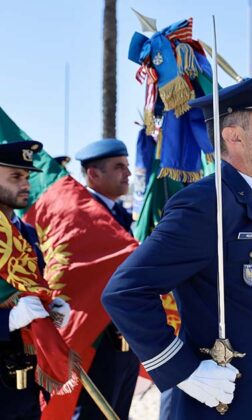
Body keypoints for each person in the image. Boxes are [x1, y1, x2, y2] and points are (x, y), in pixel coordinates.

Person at [102, 67, 252, 419]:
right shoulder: (206, 203)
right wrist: (186, 371)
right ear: (234, 136)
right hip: (225, 404)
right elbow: (125, 292)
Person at [0, 141, 71, 419]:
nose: (26, 183)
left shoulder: (26, 232)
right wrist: (8, 320)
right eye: (15, 176)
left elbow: (32, 286)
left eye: (27, 176)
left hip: (24, 375)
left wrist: (49, 308)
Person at [72, 139, 140, 420]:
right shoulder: (78, 215)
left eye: (126, 165)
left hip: (126, 337)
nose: (128, 173)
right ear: (93, 174)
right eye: (118, 167)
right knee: (92, 413)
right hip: (96, 337)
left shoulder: (121, 214)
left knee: (118, 412)